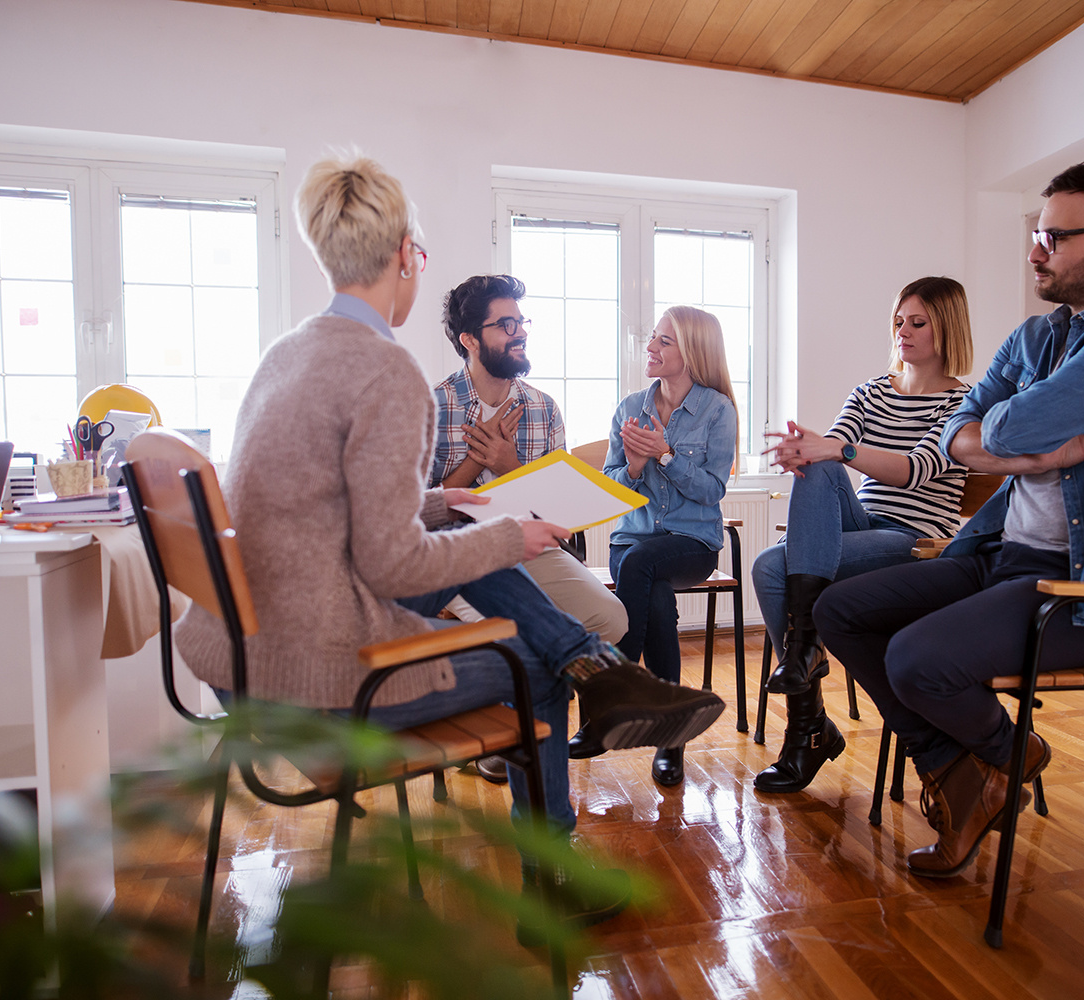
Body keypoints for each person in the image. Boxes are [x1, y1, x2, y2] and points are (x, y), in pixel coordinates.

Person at [174, 155, 724, 926]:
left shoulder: (288, 352)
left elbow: (335, 512)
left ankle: (593, 665)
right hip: (323, 682)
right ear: (405, 255)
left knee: (485, 537)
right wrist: (505, 533)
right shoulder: (388, 373)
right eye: (419, 254)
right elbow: (390, 563)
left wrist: (442, 499)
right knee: (531, 663)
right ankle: (554, 869)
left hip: (246, 656)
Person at [816, 159, 1084, 879]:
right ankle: (968, 770)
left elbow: (1009, 420)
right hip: (1002, 557)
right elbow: (958, 435)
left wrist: (1004, 432)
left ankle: (1004, 756)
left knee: (915, 656)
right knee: (841, 609)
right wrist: (1023, 457)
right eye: (1036, 232)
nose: (1035, 250)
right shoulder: (1035, 337)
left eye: (1054, 236)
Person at [751, 276, 974, 793]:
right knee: (819, 466)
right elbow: (834, 447)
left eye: (918, 322)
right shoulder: (871, 391)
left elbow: (917, 469)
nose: (904, 332)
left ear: (948, 328)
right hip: (864, 528)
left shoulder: (962, 404)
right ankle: (806, 670)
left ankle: (807, 723)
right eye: (899, 322)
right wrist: (811, 449)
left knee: (771, 560)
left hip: (917, 540)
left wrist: (837, 451)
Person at [430, 273, 627, 643]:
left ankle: (544, 691)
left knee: (609, 617)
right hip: (455, 553)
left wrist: (508, 465)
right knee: (520, 634)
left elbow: (560, 512)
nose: (519, 332)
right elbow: (413, 513)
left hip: (528, 546)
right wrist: (476, 461)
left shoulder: (542, 408)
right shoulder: (431, 409)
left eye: (521, 322)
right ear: (470, 340)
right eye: (506, 325)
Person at [594, 306, 738, 787]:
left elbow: (712, 491)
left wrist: (666, 456)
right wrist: (634, 466)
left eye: (663, 342)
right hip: (634, 541)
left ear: (693, 352)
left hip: (691, 544)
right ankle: (670, 740)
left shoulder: (718, 410)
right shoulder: (629, 407)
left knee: (642, 566)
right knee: (649, 588)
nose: (650, 349)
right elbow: (611, 488)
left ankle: (613, 699)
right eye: (653, 339)